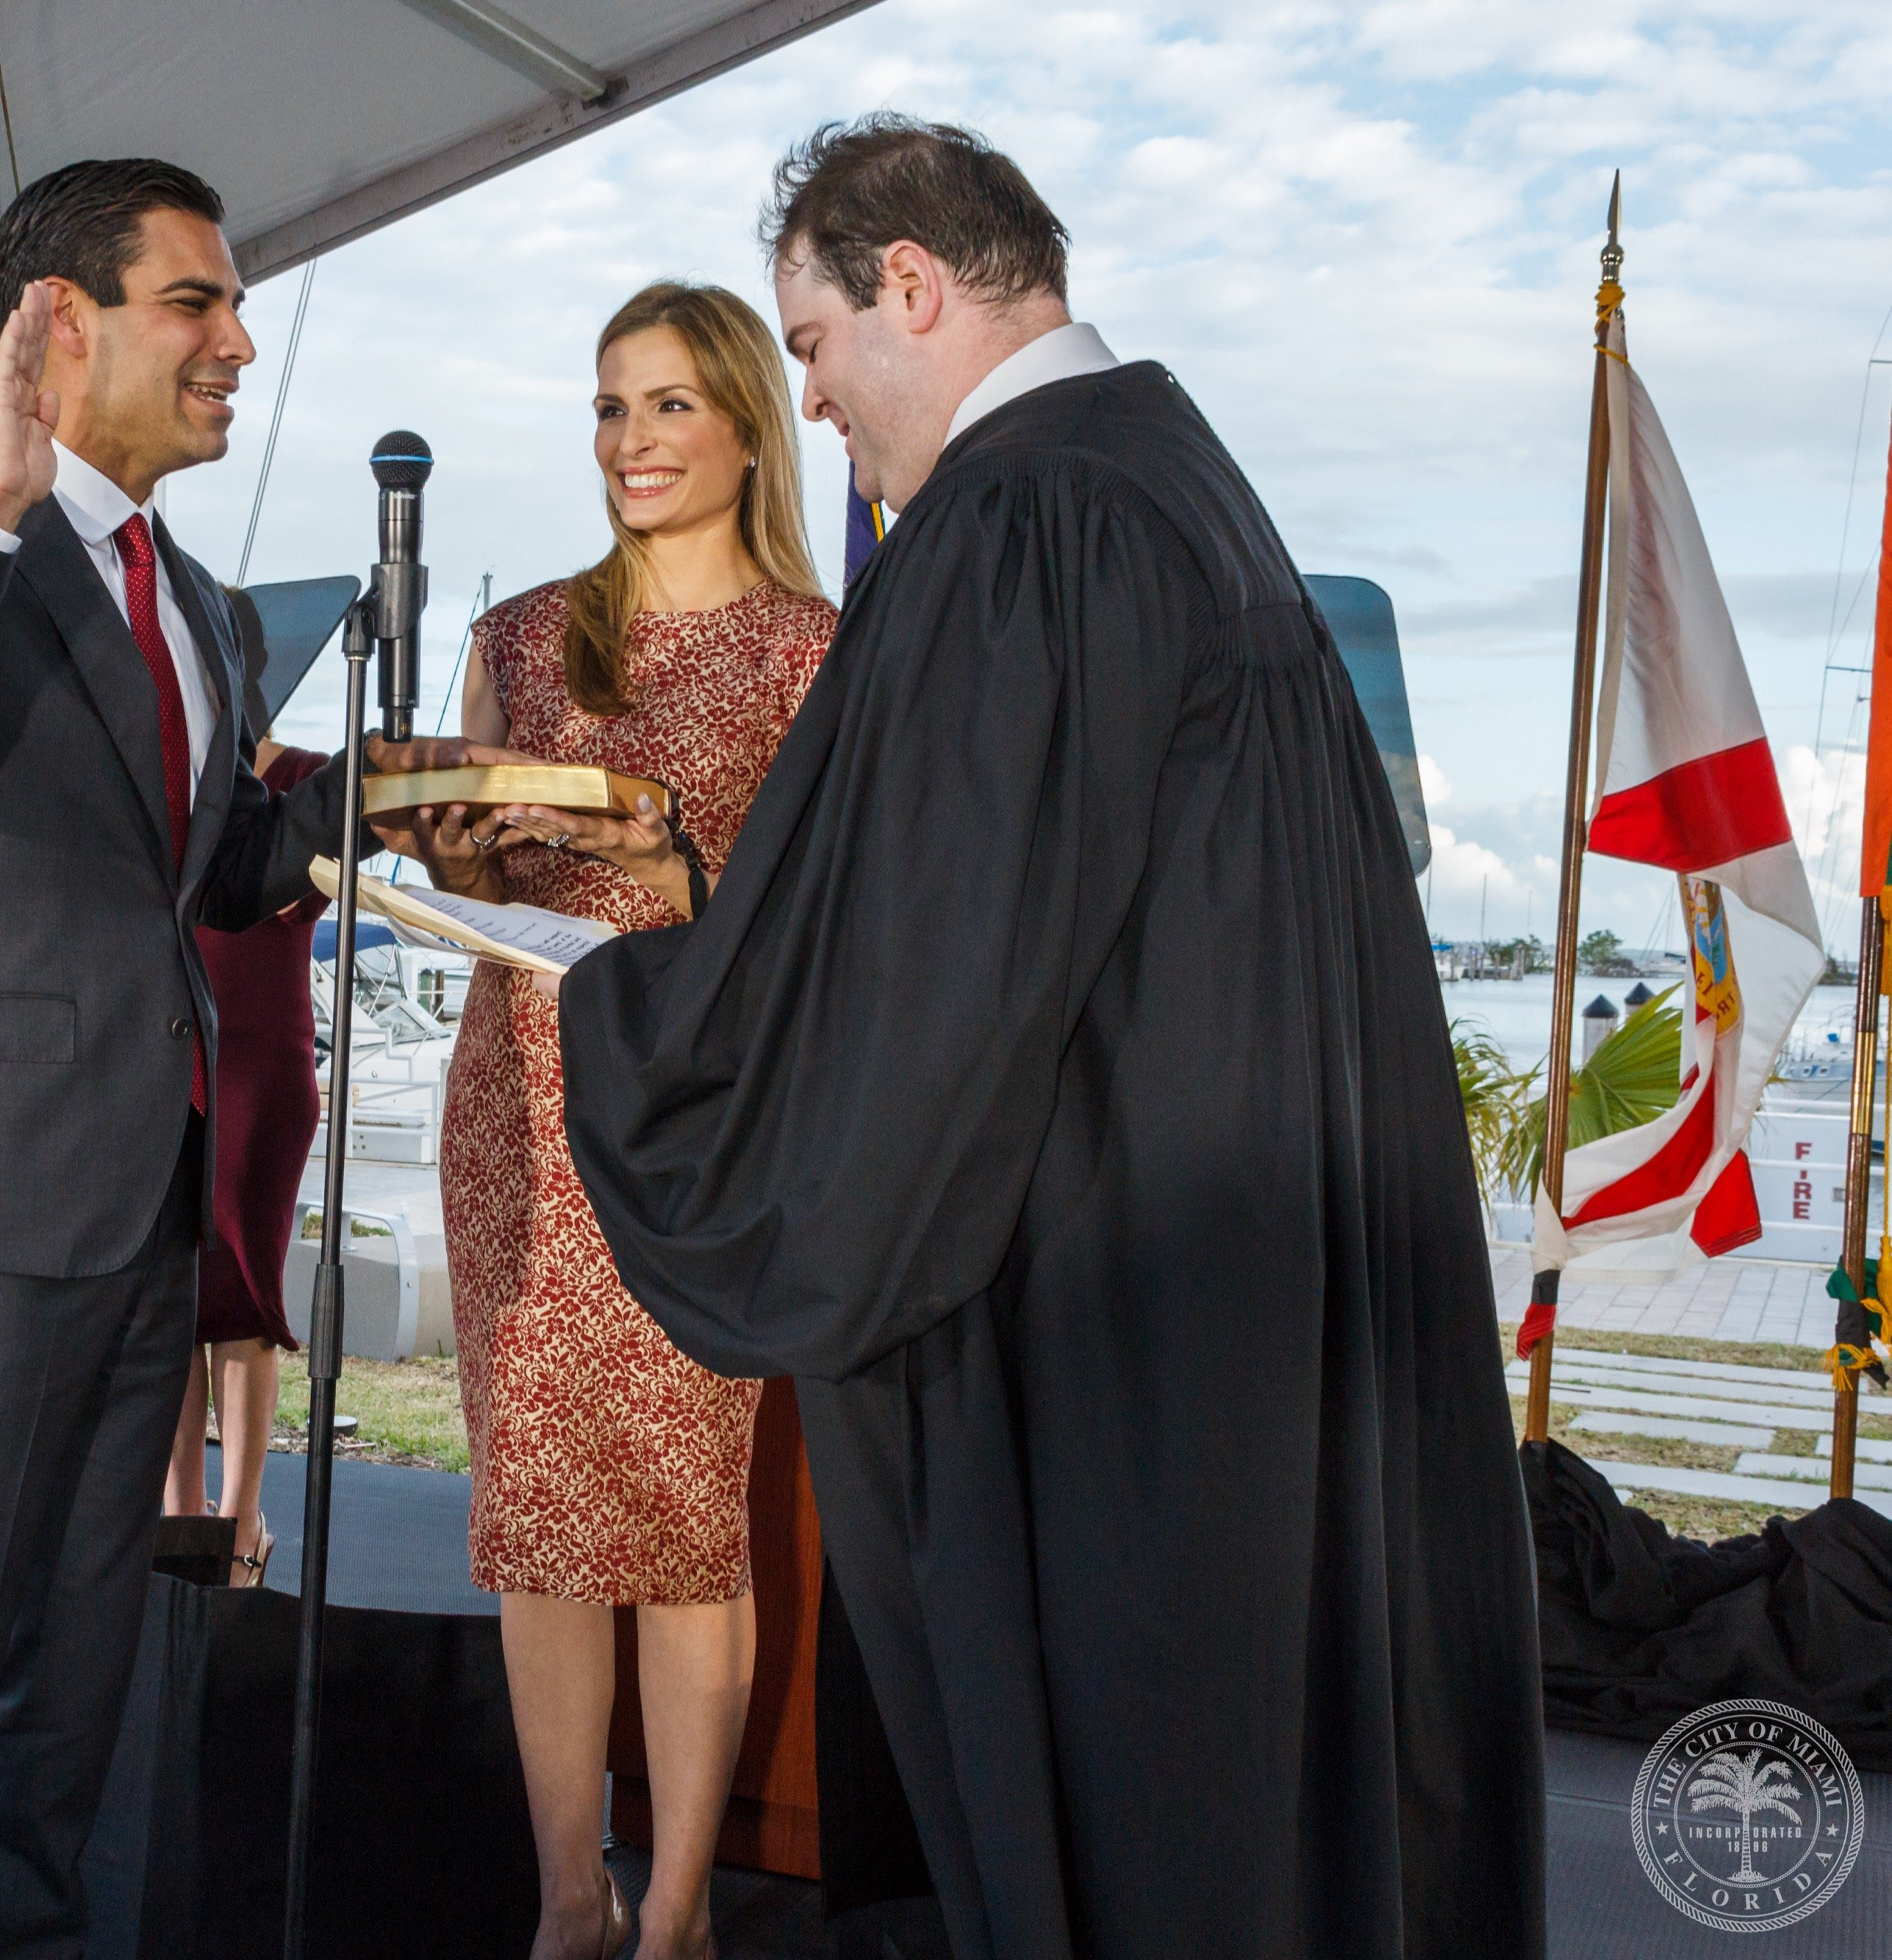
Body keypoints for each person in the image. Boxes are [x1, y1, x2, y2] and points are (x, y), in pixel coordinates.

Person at [551, 118, 1546, 1959]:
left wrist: (623, 1004)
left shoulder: (1024, 518)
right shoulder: (1171, 474)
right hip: (1237, 1297)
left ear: (906, 285)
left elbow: (926, 971)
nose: (818, 398)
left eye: (815, 338)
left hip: (1113, 1322)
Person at [0, 157, 461, 1958]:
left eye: (236, 306)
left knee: (79, 1680)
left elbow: (223, 868)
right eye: (198, 302)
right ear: (56, 325)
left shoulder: (213, 611)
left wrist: (386, 803)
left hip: (145, 1208)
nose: (237, 339)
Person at [396, 279, 835, 1960]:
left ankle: (675, 1909)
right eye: (606, 406)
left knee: (678, 1511)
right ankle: (565, 1897)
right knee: (536, 1515)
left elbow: (826, 917)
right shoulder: (519, 633)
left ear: (741, 422)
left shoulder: (812, 650)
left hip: (692, 1125)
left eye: (662, 405)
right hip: (515, 1105)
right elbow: (465, 871)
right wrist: (432, 834)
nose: (629, 440)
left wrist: (684, 873)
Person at [162, 614, 326, 1586]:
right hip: (173, 1055)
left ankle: (240, 1520)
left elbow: (280, 894)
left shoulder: (302, 775)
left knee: (245, 1301)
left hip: (263, 1067)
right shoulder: (165, 772)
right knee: (175, 1294)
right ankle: (177, 1515)